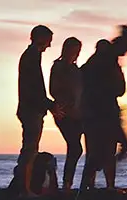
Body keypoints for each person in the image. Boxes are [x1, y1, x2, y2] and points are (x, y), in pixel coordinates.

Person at [80, 25, 127, 190]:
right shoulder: (105, 59)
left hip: (101, 111)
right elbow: (118, 88)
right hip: (100, 113)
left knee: (103, 151)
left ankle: (98, 185)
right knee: (101, 152)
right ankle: (90, 186)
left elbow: (118, 88)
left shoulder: (105, 59)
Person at [16, 25, 62, 197]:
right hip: (31, 109)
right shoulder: (31, 57)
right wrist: (49, 105)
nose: (49, 46)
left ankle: (22, 186)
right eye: (48, 41)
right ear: (40, 38)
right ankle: (25, 189)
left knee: (29, 149)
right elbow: (34, 88)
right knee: (30, 150)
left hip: (31, 108)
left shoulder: (31, 56)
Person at [49, 37, 84, 191]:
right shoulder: (58, 67)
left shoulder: (77, 70)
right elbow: (54, 90)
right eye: (73, 50)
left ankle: (70, 183)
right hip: (64, 112)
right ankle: (67, 184)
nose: (75, 54)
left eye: (77, 51)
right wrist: (66, 104)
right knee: (75, 147)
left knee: (76, 147)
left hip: (78, 113)